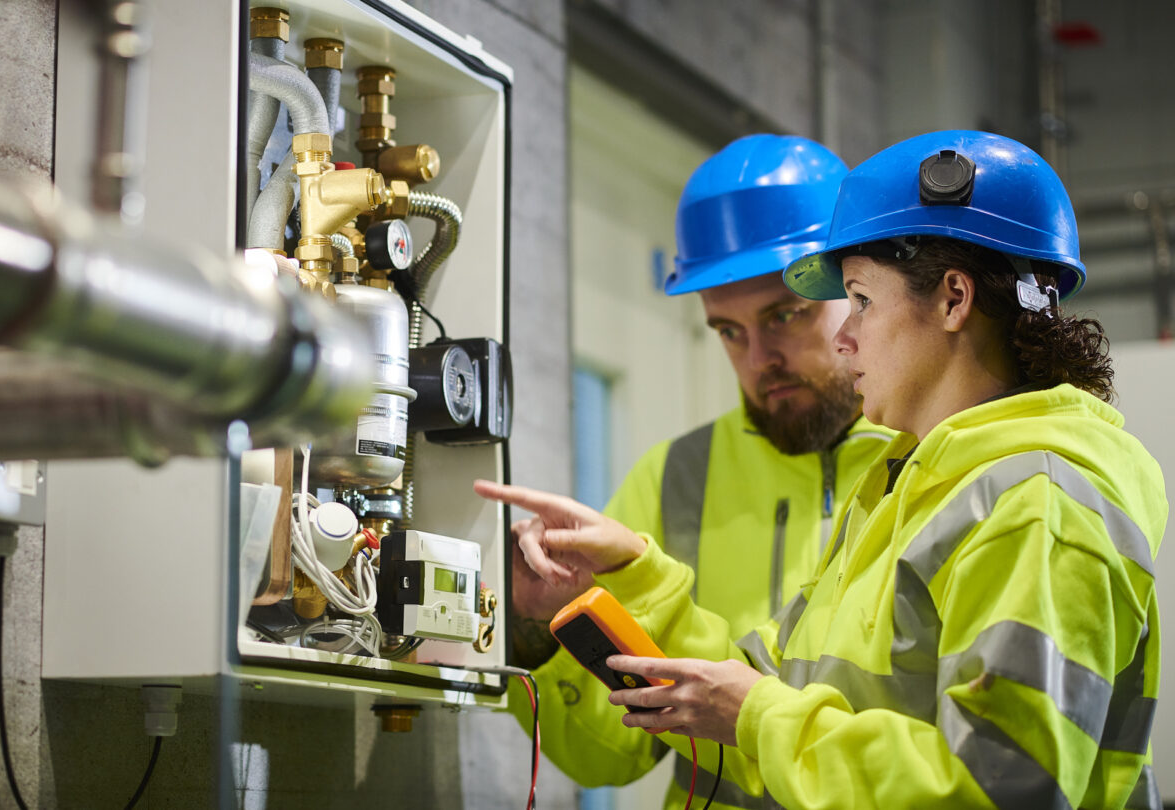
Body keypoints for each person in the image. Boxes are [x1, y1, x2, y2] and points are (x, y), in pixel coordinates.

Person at [483, 130, 1165, 808]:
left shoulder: (1035, 501)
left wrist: (758, 716)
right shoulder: (905, 486)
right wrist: (638, 576)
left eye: (859, 300)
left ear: (954, 300)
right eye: (729, 332)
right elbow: (761, 692)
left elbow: (1002, 791)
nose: (844, 337)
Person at [505, 134, 893, 810]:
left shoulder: (932, 460)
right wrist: (537, 633)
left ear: (856, 291)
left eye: (786, 316)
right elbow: (609, 755)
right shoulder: (671, 479)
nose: (759, 358)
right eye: (728, 331)